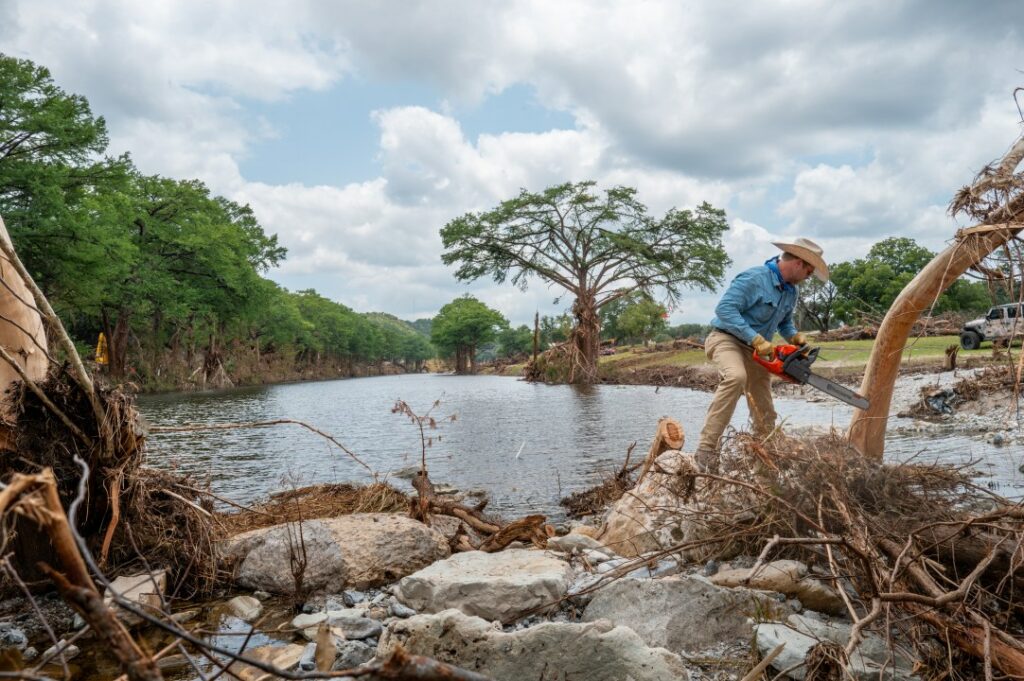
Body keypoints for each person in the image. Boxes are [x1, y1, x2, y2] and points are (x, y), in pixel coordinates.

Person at [694, 238, 829, 471]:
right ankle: (706, 450)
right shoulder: (755, 278)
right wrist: (754, 337)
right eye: (809, 271)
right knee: (736, 377)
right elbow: (724, 310)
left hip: (756, 351)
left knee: (764, 405)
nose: (809, 276)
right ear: (798, 262)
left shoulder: (791, 292)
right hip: (726, 339)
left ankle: (765, 454)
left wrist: (794, 337)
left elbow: (784, 323)